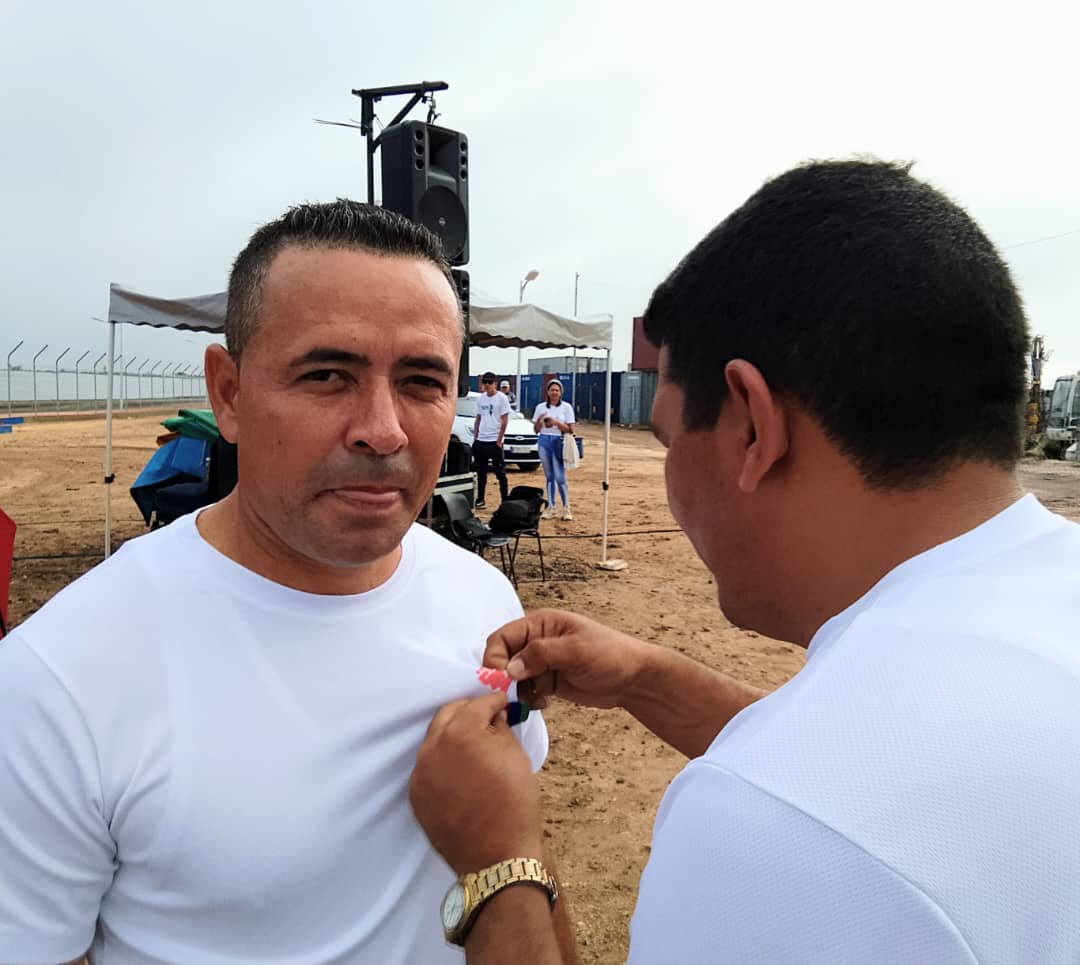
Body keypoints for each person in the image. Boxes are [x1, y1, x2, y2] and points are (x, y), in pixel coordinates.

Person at [409, 160, 1080, 962]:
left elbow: (821, 811)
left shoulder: (772, 840)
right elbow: (888, 779)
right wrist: (647, 679)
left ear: (753, 427)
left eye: (668, 439)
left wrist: (499, 864)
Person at [0, 200, 559, 965]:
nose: (383, 429)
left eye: (422, 380)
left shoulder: (484, 601)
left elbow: (522, 851)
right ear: (228, 394)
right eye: (327, 374)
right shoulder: (57, 679)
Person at [532, 379, 575, 520]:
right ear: (548, 392)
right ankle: (551, 506)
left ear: (560, 392)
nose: (554, 392)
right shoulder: (540, 407)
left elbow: (570, 429)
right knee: (549, 476)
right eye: (552, 390)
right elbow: (536, 430)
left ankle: (566, 507)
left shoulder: (566, 407)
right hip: (544, 440)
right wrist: (540, 421)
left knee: (560, 476)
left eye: (557, 390)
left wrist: (556, 422)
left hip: (558, 440)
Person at [472, 371, 511, 510]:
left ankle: (505, 500)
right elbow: (478, 418)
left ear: (495, 383)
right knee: (481, 472)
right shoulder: (480, 399)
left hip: (494, 440)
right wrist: (476, 437)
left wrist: (499, 439)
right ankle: (480, 499)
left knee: (500, 473)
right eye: (485, 382)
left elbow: (505, 420)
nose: (487, 385)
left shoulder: (501, 398)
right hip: (481, 440)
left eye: (490, 382)